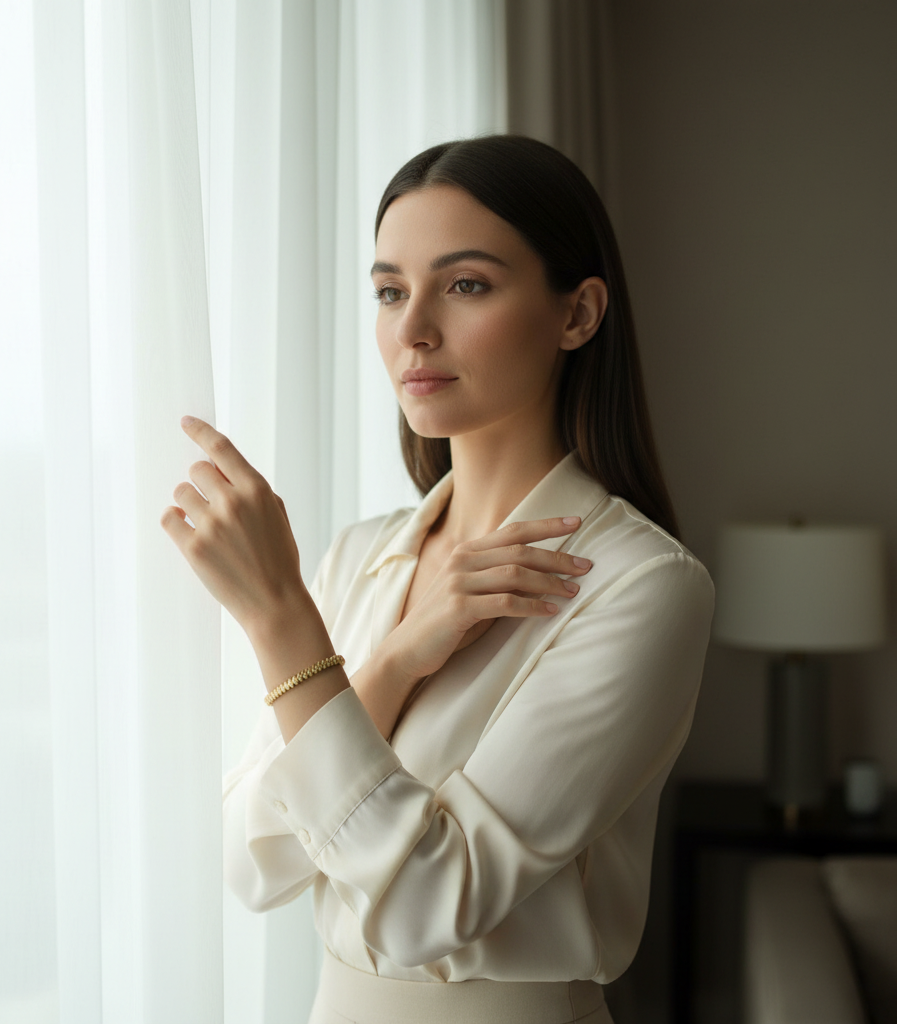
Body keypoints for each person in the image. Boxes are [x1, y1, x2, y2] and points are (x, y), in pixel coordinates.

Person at [161, 135, 714, 1024]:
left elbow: (432, 902)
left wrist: (279, 620)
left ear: (577, 314)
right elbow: (252, 861)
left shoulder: (642, 585)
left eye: (465, 285)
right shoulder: (358, 558)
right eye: (389, 291)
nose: (412, 327)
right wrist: (392, 664)